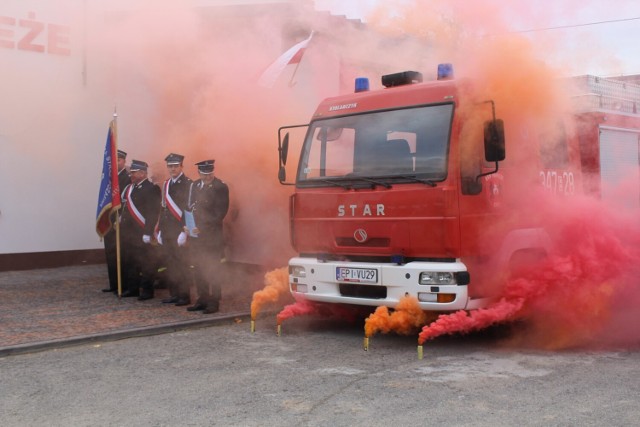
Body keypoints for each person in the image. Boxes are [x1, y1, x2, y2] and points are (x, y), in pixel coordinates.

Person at [184, 160, 229, 314]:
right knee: (198, 267)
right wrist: (187, 226)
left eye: (210, 173)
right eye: (204, 173)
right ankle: (202, 298)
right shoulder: (195, 185)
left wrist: (200, 228)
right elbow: (189, 207)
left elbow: (219, 214)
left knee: (212, 268)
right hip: (196, 235)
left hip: (211, 236)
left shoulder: (220, 187)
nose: (207, 176)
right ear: (199, 173)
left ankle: (213, 301)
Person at [119, 160, 161, 299]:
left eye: (134, 172)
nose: (131, 174)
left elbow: (152, 213)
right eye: (131, 172)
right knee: (131, 261)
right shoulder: (131, 188)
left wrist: (148, 232)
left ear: (143, 173)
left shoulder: (151, 188)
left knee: (146, 262)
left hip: (142, 232)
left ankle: (147, 291)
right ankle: (133, 288)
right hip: (129, 233)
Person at [157, 153, 192, 306]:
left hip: (179, 231)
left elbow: (188, 209)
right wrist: (159, 230)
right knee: (170, 264)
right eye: (170, 166)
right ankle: (174, 293)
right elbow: (164, 208)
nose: (172, 169)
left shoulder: (188, 183)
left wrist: (185, 232)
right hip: (167, 231)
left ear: (181, 166)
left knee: (182, 264)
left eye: (175, 166)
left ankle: (184, 296)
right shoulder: (166, 184)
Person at [102, 149, 131, 293]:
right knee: (111, 253)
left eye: (119, 160)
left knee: (122, 255)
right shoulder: (109, 179)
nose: (116, 163)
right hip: (109, 221)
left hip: (121, 221)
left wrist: (121, 217)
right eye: (114, 161)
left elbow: (127, 201)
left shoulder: (128, 178)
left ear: (124, 161)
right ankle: (114, 284)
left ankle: (123, 285)